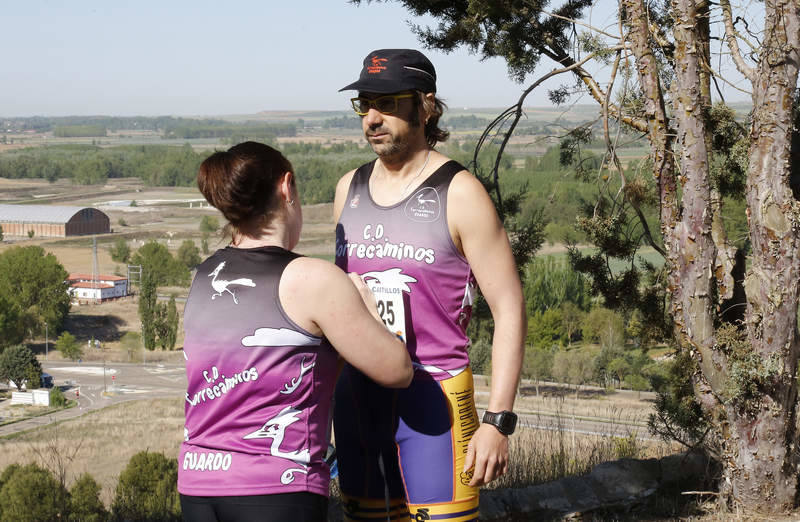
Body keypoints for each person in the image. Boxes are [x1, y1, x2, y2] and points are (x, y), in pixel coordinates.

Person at [333, 49, 526, 521]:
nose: (373, 119)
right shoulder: (347, 189)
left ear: (426, 106)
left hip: (434, 400)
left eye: (389, 103)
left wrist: (498, 421)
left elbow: (509, 309)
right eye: (364, 105)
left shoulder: (459, 192)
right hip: (356, 398)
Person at [178, 141, 413, 522]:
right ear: (287, 188)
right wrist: (370, 312)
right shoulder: (313, 279)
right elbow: (396, 370)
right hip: (275, 487)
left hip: (198, 484)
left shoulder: (205, 275)